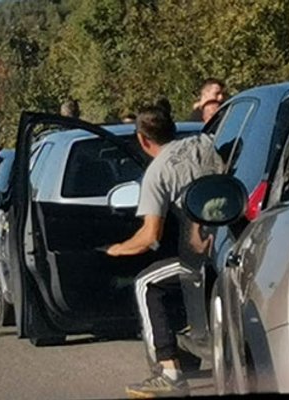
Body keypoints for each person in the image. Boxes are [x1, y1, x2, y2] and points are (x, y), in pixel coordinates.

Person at [105, 106, 221, 398]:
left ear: (143, 140)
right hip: (235, 241)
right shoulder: (203, 143)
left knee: (147, 283)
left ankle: (170, 373)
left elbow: (150, 236)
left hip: (203, 257)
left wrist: (117, 250)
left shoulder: (157, 172)